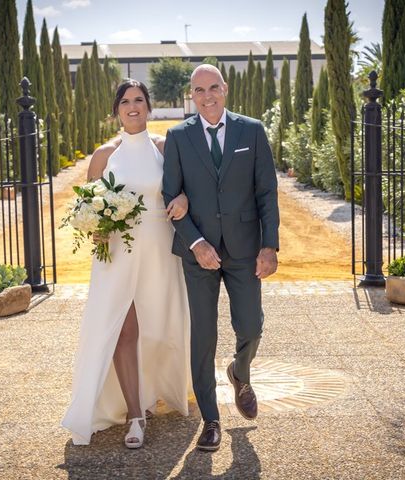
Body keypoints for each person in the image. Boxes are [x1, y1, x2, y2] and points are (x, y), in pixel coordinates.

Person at [61, 79, 191, 448]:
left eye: (138, 100)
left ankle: (152, 394)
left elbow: (185, 190)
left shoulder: (166, 148)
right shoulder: (104, 155)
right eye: (124, 101)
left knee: (159, 327)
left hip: (160, 250)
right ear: (115, 110)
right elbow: (86, 206)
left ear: (148, 107)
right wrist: (96, 230)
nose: (132, 107)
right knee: (124, 329)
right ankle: (135, 414)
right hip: (117, 254)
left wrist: (181, 198)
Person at [162, 64, 280, 452]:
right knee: (204, 335)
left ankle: (239, 372)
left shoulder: (252, 131)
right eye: (199, 90)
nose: (207, 96)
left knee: (251, 326)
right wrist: (196, 243)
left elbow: (266, 192)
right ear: (191, 96)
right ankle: (211, 419)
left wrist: (269, 245)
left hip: (246, 248)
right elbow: (171, 196)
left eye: (214, 88)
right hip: (199, 254)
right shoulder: (178, 137)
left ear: (225, 89)